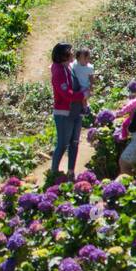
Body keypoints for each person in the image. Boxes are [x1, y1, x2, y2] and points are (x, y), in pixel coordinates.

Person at [49, 42, 83, 182]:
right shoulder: (58, 71)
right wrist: (83, 95)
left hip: (76, 110)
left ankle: (70, 172)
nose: (72, 53)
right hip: (64, 113)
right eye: (70, 51)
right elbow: (66, 94)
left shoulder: (69, 66)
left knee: (74, 142)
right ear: (63, 55)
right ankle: (54, 172)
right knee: (63, 143)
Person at [70, 47, 96, 125]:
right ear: (78, 58)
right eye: (84, 58)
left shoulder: (89, 67)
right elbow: (67, 65)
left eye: (88, 58)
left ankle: (85, 109)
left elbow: (91, 77)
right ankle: (84, 108)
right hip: (76, 85)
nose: (87, 60)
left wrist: (91, 86)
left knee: (83, 97)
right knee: (78, 98)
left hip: (85, 86)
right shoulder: (75, 64)